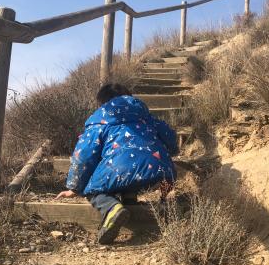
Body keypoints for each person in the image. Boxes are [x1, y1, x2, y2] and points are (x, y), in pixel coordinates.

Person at [56, 83, 178, 244]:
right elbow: (170, 137)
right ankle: (138, 202)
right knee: (133, 173)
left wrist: (74, 187)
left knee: (93, 187)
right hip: (163, 173)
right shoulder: (147, 118)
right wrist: (173, 152)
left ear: (102, 103)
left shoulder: (99, 122)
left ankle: (112, 208)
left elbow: (83, 156)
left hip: (121, 170)